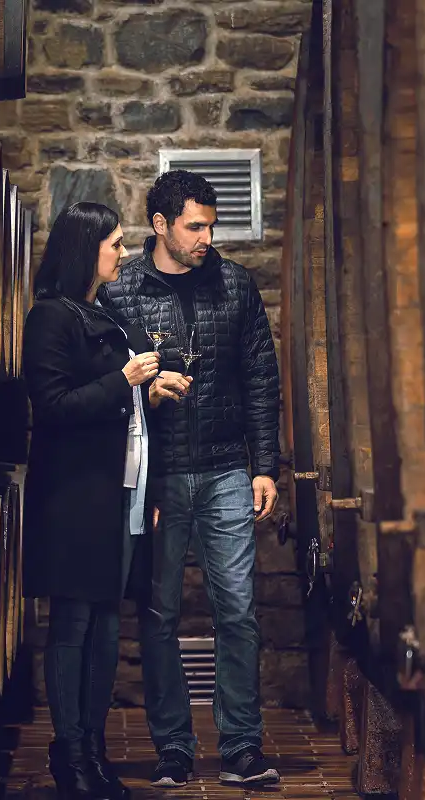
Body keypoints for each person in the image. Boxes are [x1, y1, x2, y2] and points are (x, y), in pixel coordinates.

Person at [99, 170, 282, 787]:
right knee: (159, 613)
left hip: (229, 467)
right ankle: (174, 747)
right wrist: (146, 390)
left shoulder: (234, 284)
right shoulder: (122, 294)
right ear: (160, 226)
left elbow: (261, 379)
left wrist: (265, 469)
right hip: (159, 476)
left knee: (238, 611)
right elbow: (100, 386)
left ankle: (240, 746)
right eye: (194, 226)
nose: (207, 237)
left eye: (211, 225)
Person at [22, 201, 179, 800]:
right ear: (84, 248)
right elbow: (55, 407)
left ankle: (94, 746)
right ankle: (71, 754)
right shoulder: (49, 319)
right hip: (76, 497)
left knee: (107, 629)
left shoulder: (98, 312)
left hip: (121, 495)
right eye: (113, 242)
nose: (122, 251)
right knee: (74, 624)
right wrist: (126, 382)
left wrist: (152, 389)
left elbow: (121, 392)